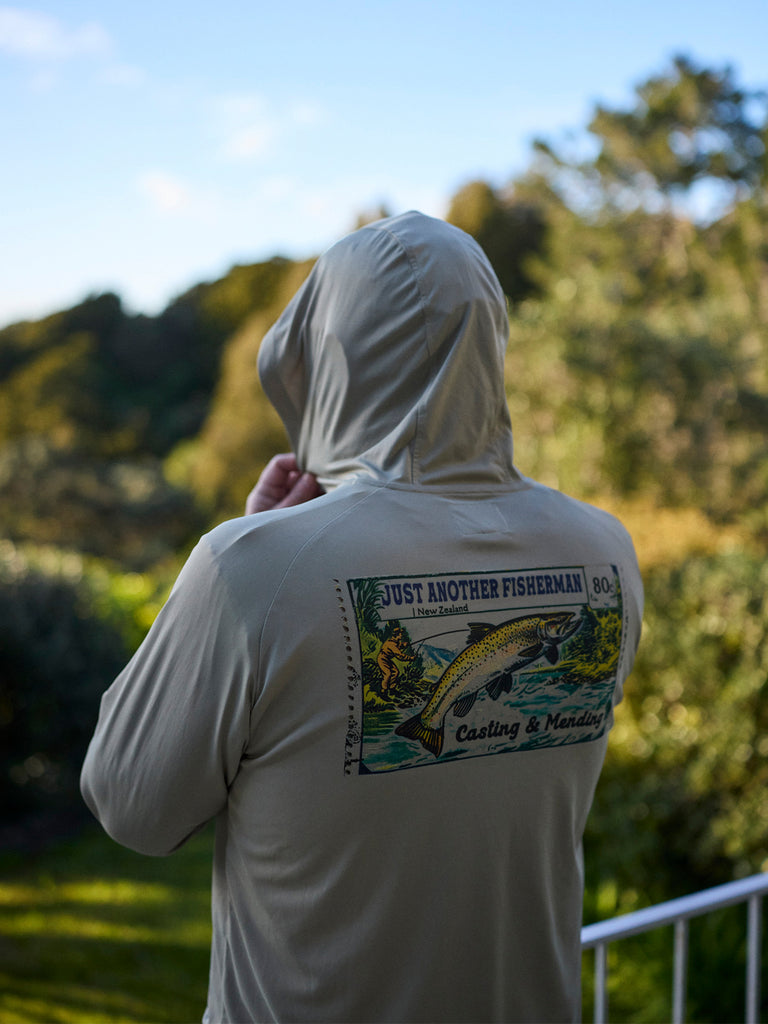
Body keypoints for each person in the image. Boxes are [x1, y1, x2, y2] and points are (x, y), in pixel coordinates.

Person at [81, 211, 643, 1023]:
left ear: (327, 356)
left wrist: (236, 560)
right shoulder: (605, 553)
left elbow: (132, 805)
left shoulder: (250, 569)